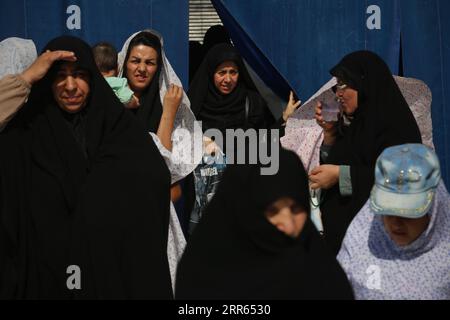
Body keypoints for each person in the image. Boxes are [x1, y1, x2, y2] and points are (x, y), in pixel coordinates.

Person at [0, 36, 173, 299]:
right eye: (60, 76)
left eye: (80, 75)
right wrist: (25, 79)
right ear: (46, 80)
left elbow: (154, 183)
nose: (70, 86)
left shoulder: (119, 132)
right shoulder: (26, 135)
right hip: (46, 280)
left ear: (92, 79)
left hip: (107, 278)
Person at [175, 149, 354, 300]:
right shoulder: (204, 276)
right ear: (243, 210)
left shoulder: (319, 268)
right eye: (273, 211)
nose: (288, 224)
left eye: (295, 208)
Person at [309, 51, 422, 255]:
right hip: (343, 248)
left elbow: (400, 178)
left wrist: (340, 176)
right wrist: (330, 133)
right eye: (337, 85)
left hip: (377, 246)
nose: (338, 93)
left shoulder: (396, 126)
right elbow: (336, 164)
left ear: (364, 83)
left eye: (344, 84)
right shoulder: (356, 124)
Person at [118, 30, 201, 287]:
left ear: (158, 67)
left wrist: (168, 114)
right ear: (124, 62)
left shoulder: (169, 110)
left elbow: (169, 184)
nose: (141, 68)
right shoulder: (107, 107)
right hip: (113, 222)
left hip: (153, 225)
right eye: (135, 61)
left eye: (150, 62)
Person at [337, 144, 450, 300]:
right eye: (388, 211)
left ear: (434, 208)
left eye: (409, 213)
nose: (396, 223)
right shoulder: (360, 239)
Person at [92, 42, 139, 109]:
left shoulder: (91, 82)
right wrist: (135, 101)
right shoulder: (119, 83)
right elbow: (127, 100)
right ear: (118, 68)